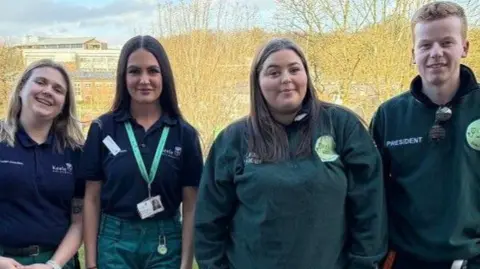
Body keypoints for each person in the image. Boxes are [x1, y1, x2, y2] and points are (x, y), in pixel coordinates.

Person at [194, 37, 387, 269]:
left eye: (294, 69)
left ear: (306, 75)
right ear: (258, 82)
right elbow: (208, 222)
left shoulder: (342, 125)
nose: (286, 79)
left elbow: (370, 206)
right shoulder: (233, 140)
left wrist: (363, 264)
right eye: (274, 72)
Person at [369, 2, 480, 268]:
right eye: (426, 45)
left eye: (446, 42)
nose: (436, 53)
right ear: (413, 53)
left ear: (465, 48)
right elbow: (371, 194)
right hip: (406, 260)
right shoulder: (388, 116)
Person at [79, 35, 203, 269]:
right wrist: (92, 263)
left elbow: (191, 205)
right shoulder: (103, 129)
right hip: (114, 241)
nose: (144, 80)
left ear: (163, 76)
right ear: (123, 77)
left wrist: (186, 264)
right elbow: (91, 198)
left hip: (165, 241)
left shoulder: (184, 134)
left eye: (153, 71)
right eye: (134, 71)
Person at [0, 59, 85, 269]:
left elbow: (79, 222)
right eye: (40, 82)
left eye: (58, 89)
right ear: (21, 88)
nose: (48, 91)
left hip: (56, 262)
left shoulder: (76, 152)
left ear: (64, 103)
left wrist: (52, 265)